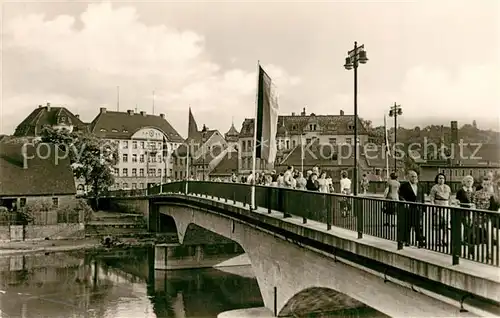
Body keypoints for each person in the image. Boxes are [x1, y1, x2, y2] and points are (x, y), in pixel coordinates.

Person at [398, 170, 425, 248]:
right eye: (412, 176)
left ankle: (420, 242)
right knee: (408, 225)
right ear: (408, 177)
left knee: (419, 226)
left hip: (418, 209)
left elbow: (422, 198)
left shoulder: (420, 186)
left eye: (415, 176)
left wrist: (423, 208)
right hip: (409, 208)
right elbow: (401, 196)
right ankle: (407, 241)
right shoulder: (404, 186)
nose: (414, 178)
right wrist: (405, 202)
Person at [429, 173, 452, 246]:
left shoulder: (447, 187)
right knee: (438, 225)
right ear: (437, 179)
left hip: (446, 207)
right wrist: (434, 207)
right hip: (438, 207)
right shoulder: (434, 188)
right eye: (440, 178)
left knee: (446, 226)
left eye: (443, 178)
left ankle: (444, 239)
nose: (441, 180)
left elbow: (450, 198)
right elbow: (432, 198)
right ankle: (438, 241)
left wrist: (450, 206)